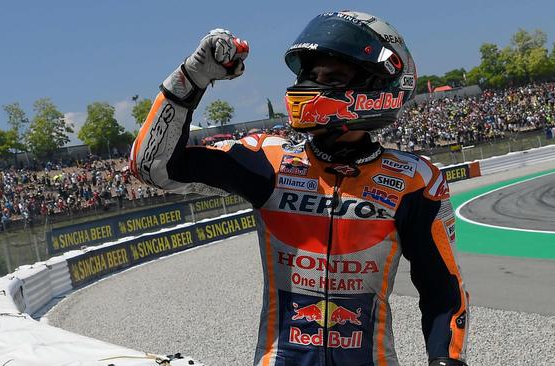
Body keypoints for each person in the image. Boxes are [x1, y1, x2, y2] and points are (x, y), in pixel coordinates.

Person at [130, 11, 468, 366]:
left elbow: (443, 293)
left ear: (374, 87)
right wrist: (191, 77)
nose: (311, 84)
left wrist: (445, 360)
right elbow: (151, 167)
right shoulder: (270, 161)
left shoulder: (414, 180)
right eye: (310, 74)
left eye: (331, 77)